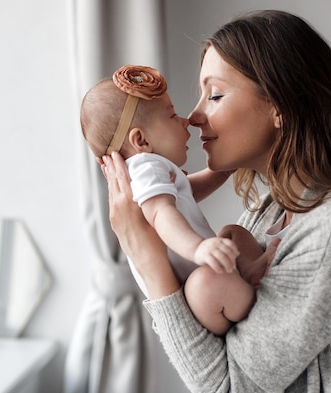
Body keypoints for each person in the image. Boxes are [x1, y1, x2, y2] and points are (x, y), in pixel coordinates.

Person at [101, 9, 331, 393]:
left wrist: (146, 259)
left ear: (280, 106)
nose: (194, 116)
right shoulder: (266, 215)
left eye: (214, 95)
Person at [81, 65, 274, 336]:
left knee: (232, 233)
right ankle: (253, 301)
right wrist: (198, 249)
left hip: (206, 283)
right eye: (172, 116)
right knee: (207, 280)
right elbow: (161, 214)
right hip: (195, 294)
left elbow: (186, 194)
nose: (185, 121)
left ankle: (247, 274)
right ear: (141, 140)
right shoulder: (146, 166)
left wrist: (224, 170)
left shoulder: (146, 171)